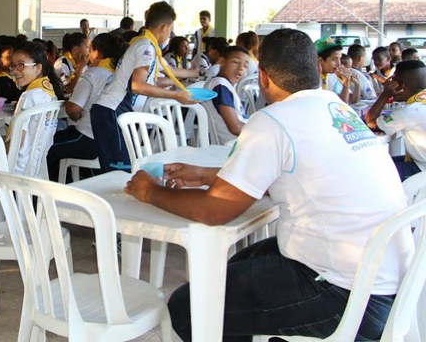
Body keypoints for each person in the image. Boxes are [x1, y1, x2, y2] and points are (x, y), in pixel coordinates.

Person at [125, 28, 413, 342]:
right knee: (239, 264)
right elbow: (292, 170)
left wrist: (149, 191)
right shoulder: (335, 107)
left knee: (189, 307)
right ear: (316, 69)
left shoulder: (274, 119)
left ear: (263, 76)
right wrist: (210, 175)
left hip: (346, 297)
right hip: (387, 283)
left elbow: (214, 211)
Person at [91, 2, 195, 171]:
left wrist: (194, 74)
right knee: (119, 170)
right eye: (170, 29)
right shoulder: (146, 48)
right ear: (164, 27)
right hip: (111, 110)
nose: (169, 34)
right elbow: (138, 86)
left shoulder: (146, 45)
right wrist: (177, 96)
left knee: (121, 167)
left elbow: (167, 72)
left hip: (113, 109)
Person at [0, 41, 63, 176]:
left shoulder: (29, 97)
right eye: (13, 66)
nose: (15, 71)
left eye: (21, 65)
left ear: (38, 68)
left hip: (14, 168)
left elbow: (17, 142)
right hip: (35, 165)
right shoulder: (49, 93)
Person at [46, 33, 123, 182]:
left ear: (97, 52)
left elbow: (73, 110)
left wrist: (80, 116)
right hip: (112, 140)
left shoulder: (93, 74)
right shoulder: (120, 74)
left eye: (90, 49)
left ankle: (57, 189)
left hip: (88, 138)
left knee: (45, 145)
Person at [364, 59, 426, 181]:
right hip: (421, 162)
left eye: (393, 81)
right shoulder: (420, 103)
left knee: (371, 170)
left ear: (401, 85)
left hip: (421, 169)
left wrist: (386, 94)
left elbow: (370, 122)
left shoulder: (410, 111)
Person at [204, 46, 250, 143]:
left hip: (243, 139)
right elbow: (235, 127)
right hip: (235, 144)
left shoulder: (225, 85)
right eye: (235, 62)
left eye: (246, 66)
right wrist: (262, 132)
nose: (241, 68)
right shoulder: (220, 85)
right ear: (222, 61)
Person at [316, 37, 356, 104]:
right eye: (334, 59)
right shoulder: (311, 79)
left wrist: (346, 84)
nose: (339, 63)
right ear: (320, 60)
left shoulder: (334, 76)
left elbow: (343, 104)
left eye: (340, 59)